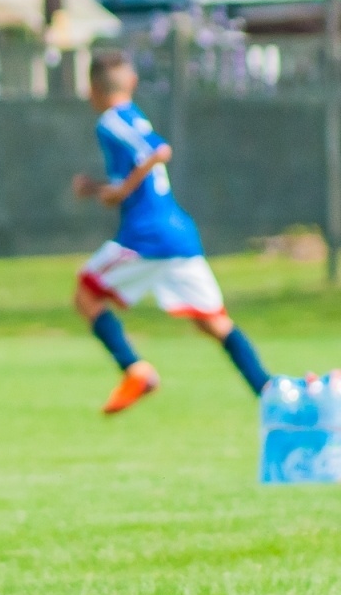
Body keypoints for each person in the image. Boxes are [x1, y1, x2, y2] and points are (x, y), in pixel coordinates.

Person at [72, 50, 270, 415]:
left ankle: (136, 369)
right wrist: (100, 188)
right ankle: (269, 391)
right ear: (131, 82)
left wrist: (119, 191)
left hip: (146, 237)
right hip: (177, 233)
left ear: (92, 90)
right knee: (213, 322)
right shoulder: (133, 116)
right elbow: (138, 173)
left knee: (85, 294)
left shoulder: (111, 121)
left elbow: (158, 151)